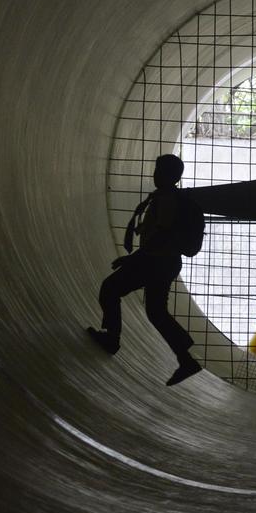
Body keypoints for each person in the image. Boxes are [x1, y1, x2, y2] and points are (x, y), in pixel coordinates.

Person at [87, 154, 202, 386]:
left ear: (169, 175)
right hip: (164, 261)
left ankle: (112, 338)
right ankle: (185, 358)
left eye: (159, 170)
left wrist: (131, 260)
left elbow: (160, 235)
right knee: (156, 312)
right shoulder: (167, 198)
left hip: (155, 261)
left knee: (110, 289)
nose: (155, 174)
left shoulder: (166, 199)